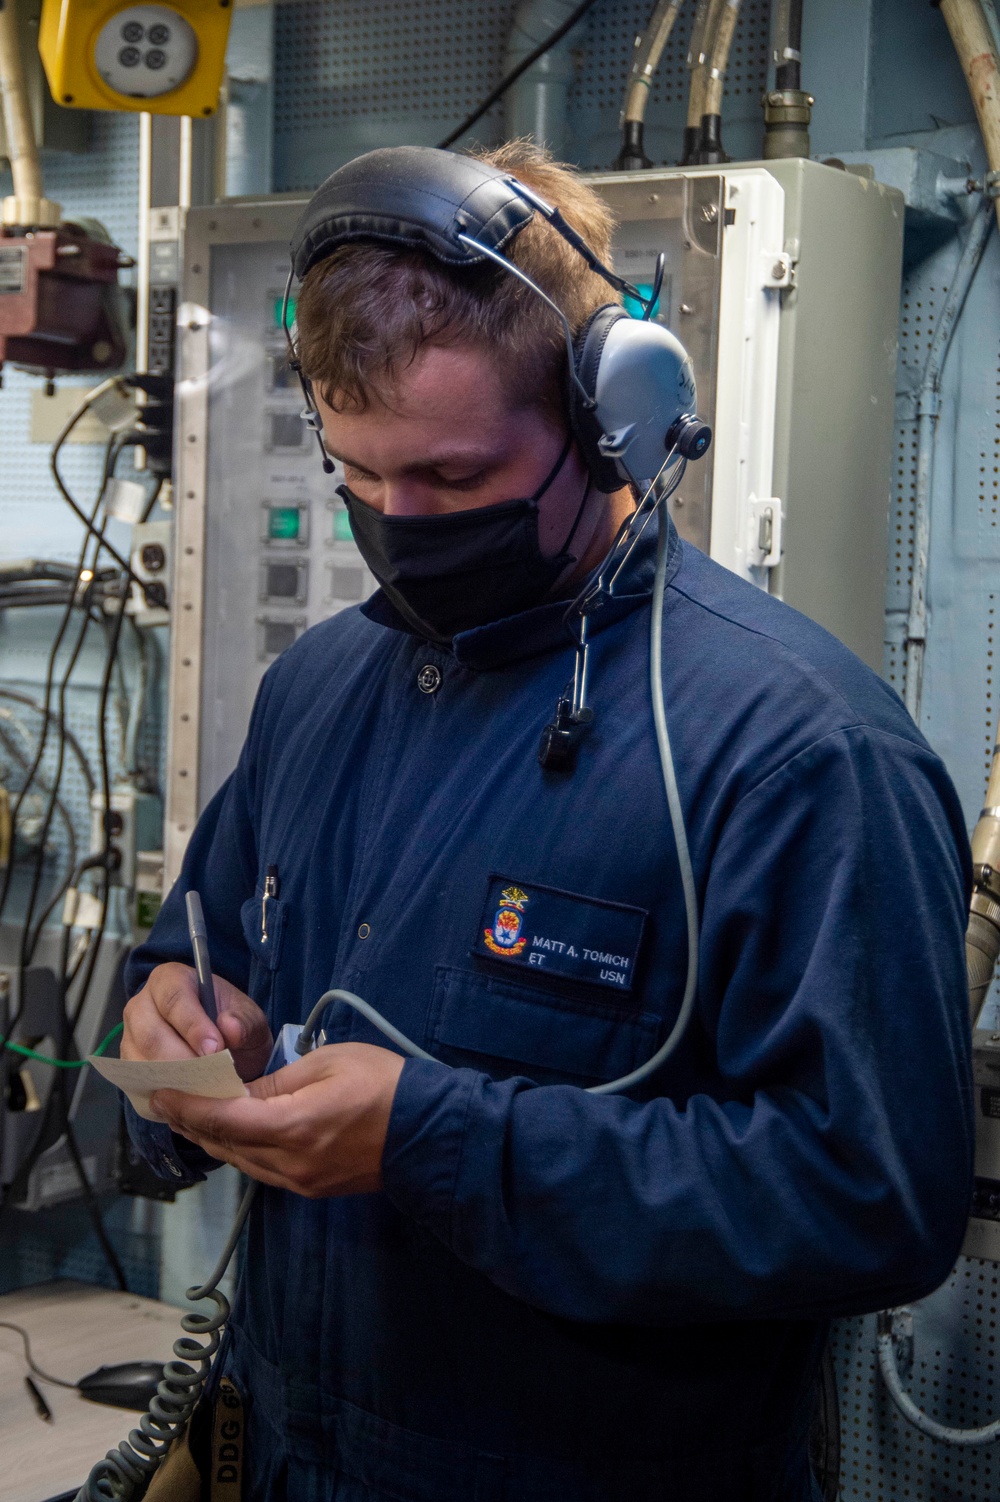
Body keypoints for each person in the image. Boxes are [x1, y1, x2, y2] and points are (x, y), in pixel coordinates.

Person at [122, 142, 973, 1502]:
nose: (399, 527)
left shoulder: (799, 751)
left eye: (453, 481)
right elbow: (200, 943)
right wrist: (170, 1006)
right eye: (360, 476)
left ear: (610, 420)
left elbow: (872, 1198)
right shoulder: (321, 686)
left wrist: (434, 1139)